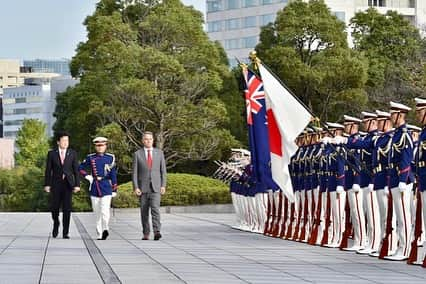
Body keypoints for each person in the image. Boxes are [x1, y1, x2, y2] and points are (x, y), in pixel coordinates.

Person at [79, 137, 118, 240]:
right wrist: (88, 176)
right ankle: (99, 233)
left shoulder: (110, 158)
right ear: (95, 147)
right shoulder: (90, 158)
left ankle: (105, 229)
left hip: (106, 186)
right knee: (97, 213)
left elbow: (113, 174)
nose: (100, 148)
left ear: (106, 146)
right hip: (95, 186)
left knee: (105, 211)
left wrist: (114, 188)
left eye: (102, 145)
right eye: (98, 146)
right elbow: (80, 168)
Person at [44, 131, 80, 239]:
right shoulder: (52, 153)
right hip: (56, 184)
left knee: (67, 209)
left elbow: (76, 171)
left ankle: (65, 232)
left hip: (68, 184)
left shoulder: (72, 153)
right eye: (63, 140)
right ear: (58, 142)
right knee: (54, 208)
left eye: (67, 140)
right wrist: (47, 184)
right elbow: (48, 170)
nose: (66, 143)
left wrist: (77, 184)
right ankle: (56, 223)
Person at [132, 132, 167, 240]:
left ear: (153, 140)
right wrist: (136, 187)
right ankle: (146, 233)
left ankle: (157, 231)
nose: (148, 141)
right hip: (143, 187)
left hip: (156, 187)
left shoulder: (159, 153)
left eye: (150, 139)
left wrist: (163, 185)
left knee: (155, 209)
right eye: (146, 139)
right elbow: (134, 173)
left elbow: (163, 171)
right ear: (143, 141)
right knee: (144, 211)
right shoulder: (137, 154)